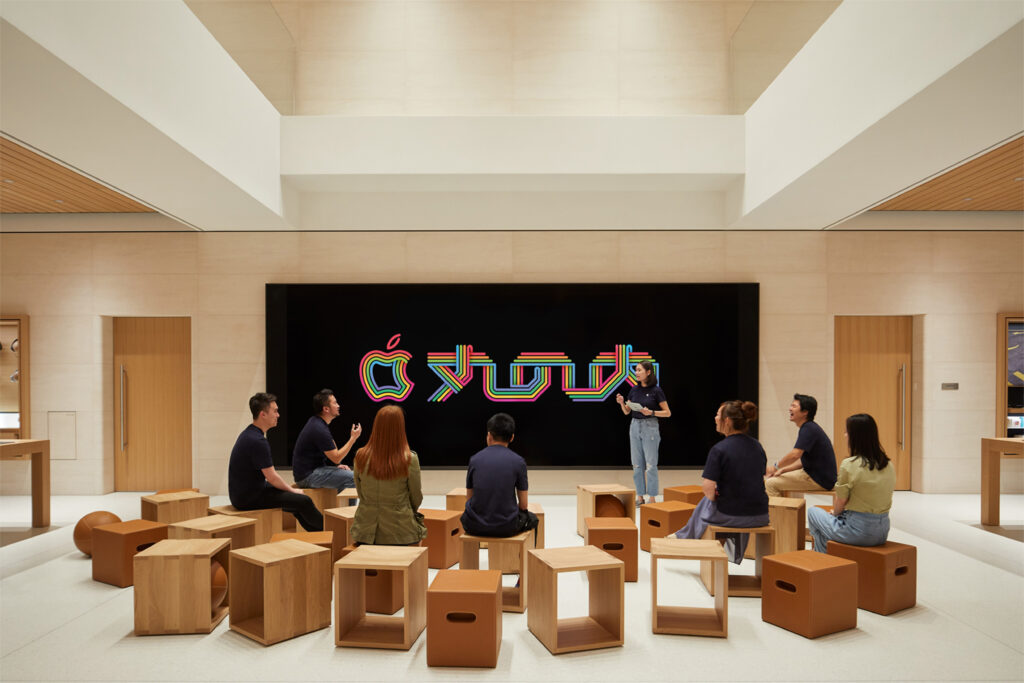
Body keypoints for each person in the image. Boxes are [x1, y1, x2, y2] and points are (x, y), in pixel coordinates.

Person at [672, 400, 769, 563]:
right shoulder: (757, 446)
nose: (715, 418)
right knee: (710, 500)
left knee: (708, 501)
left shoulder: (719, 449)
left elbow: (708, 489)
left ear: (728, 421)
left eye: (718, 415)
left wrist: (719, 496)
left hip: (732, 515)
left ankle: (683, 538)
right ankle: (682, 535)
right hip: (761, 515)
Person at [228, 392, 323, 531]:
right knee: (303, 500)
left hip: (244, 493)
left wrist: (292, 492)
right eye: (275, 411)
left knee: (297, 502)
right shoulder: (258, 441)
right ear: (263, 414)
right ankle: (330, 531)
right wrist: (293, 490)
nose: (278, 415)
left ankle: (319, 535)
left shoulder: (250, 433)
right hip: (248, 498)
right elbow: (272, 477)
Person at [808, 413, 895, 553]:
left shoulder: (849, 464)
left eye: (846, 432)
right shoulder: (888, 464)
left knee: (813, 512)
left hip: (859, 532)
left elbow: (841, 501)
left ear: (855, 437)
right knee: (827, 530)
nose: (845, 435)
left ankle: (822, 558)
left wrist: (834, 514)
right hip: (883, 530)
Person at [349, 404, 427, 545]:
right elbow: (416, 496)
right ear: (400, 427)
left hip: (365, 532)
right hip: (401, 532)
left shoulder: (360, 456)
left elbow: (361, 494)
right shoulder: (409, 458)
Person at [461, 413, 538, 538]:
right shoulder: (519, 462)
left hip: (474, 526)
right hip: (507, 528)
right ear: (512, 437)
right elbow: (523, 505)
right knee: (533, 519)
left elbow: (469, 499)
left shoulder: (474, 459)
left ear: (489, 436)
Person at [616, 361, 671, 505]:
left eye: (639, 370)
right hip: (634, 426)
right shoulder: (634, 390)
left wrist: (651, 412)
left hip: (650, 426)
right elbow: (627, 411)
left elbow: (667, 413)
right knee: (637, 465)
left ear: (648, 372)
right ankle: (640, 497)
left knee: (651, 464)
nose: (636, 372)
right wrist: (622, 403)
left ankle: (652, 498)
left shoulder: (656, 390)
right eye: (636, 370)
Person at [765, 393, 837, 497]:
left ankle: (778, 513)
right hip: (820, 477)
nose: (790, 409)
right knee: (776, 480)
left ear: (805, 412)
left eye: (794, 406)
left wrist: (774, 468)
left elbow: (795, 454)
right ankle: (785, 512)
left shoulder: (808, 429)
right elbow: (803, 462)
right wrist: (783, 470)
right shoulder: (810, 428)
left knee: (771, 484)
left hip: (819, 480)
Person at [292, 388, 361, 493]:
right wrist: (353, 438)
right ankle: (346, 509)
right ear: (326, 409)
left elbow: (334, 454)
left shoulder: (318, 423)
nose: (338, 406)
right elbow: (336, 458)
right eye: (335, 403)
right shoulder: (319, 428)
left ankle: (342, 507)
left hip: (313, 472)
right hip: (308, 476)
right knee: (353, 477)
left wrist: (337, 466)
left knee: (347, 475)